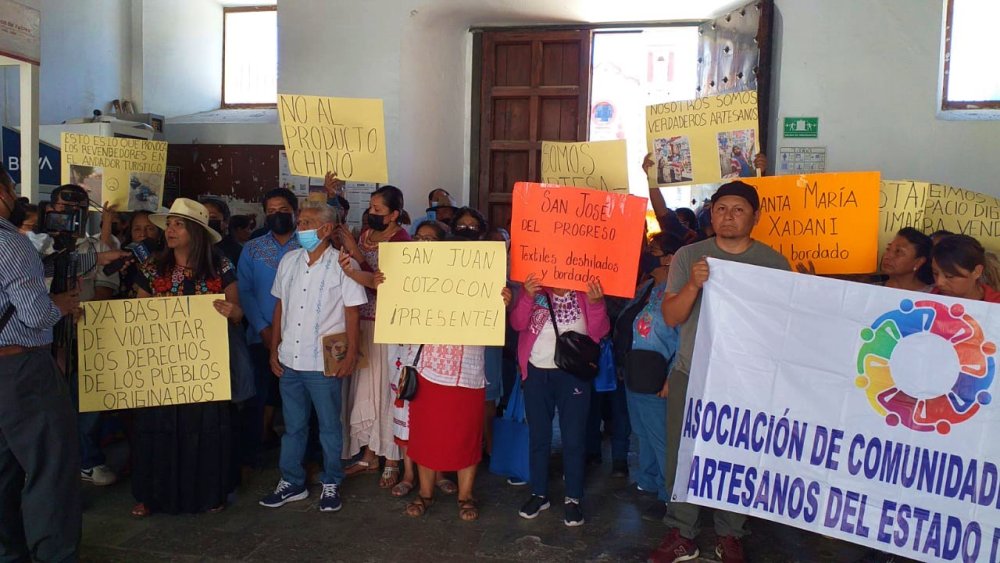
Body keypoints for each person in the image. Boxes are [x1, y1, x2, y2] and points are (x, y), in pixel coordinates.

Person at [651, 181, 791, 563]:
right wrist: (694, 285)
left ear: (756, 217)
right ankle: (682, 531)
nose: (728, 216)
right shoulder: (689, 255)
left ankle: (730, 532)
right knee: (683, 455)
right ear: (711, 214)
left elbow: (782, 327)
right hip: (691, 370)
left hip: (747, 378)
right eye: (721, 208)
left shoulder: (774, 263)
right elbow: (671, 316)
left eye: (738, 209)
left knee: (738, 455)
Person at [130, 198, 243, 516]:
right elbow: (136, 313)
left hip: (206, 367)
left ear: (196, 231)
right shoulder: (152, 267)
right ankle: (150, 496)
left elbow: (237, 313)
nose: (170, 229)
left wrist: (231, 311)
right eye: (168, 224)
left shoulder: (219, 265)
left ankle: (209, 495)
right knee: (156, 428)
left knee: (204, 428)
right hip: (162, 366)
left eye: (178, 224)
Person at [259, 204, 367, 512]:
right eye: (300, 222)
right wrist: (274, 348)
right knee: (293, 426)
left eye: (306, 222)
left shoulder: (341, 264)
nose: (299, 227)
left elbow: (352, 311)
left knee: (330, 426)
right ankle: (292, 481)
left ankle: (331, 480)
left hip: (323, 364)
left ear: (325, 229)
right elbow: (280, 306)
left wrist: (350, 356)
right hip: (289, 358)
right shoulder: (289, 261)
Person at [0, 166, 84, 561]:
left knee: (4, 470)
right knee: (50, 465)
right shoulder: (13, 245)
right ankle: (53, 553)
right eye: (13, 187)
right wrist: (62, 304)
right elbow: (35, 315)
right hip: (21, 369)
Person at [510, 274, 609, 527]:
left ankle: (573, 498)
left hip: (573, 376)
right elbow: (517, 323)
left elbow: (601, 331)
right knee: (539, 437)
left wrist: (597, 303)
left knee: (574, 438)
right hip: (536, 372)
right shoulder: (535, 288)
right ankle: (538, 494)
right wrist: (528, 296)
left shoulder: (585, 290)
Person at [338, 185, 410, 487]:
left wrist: (355, 254)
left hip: (388, 324)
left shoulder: (402, 239)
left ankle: (392, 457)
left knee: (387, 390)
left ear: (394, 214)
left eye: (379, 210)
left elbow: (387, 283)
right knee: (365, 388)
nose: (372, 213)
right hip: (361, 321)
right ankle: (369, 453)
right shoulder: (364, 234)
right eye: (370, 208)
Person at [381, 219, 457, 499]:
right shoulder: (398, 271)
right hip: (404, 353)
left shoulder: (454, 276)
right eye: (419, 237)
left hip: (438, 356)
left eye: (431, 239)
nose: (423, 243)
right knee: (405, 411)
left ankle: (437, 474)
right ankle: (410, 474)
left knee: (437, 417)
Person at [618, 234, 682, 523]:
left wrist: (672, 377)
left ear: (669, 258)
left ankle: (669, 498)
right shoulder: (646, 286)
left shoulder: (679, 291)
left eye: (653, 250)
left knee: (662, 439)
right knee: (642, 432)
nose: (647, 254)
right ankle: (647, 481)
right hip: (634, 371)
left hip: (659, 375)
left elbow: (685, 338)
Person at [237, 188, 301, 463]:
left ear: (295, 211)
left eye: (283, 210)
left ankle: (300, 452)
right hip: (260, 335)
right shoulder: (252, 249)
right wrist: (263, 329)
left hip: (300, 337)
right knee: (261, 392)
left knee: (297, 398)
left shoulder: (309, 245)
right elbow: (245, 291)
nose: (278, 215)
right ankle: (259, 445)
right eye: (272, 211)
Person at [930, 235, 1000, 302]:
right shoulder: (928, 299)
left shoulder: (996, 305)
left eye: (949, 276)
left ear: (977, 271)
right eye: (935, 273)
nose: (939, 283)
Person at [880, 227, 934, 292]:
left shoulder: (933, 296)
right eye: (888, 249)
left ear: (919, 262)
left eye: (898, 251)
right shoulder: (871, 290)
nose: (887, 256)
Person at [203, 197, 243, 267]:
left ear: (226, 222)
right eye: (202, 217)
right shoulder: (189, 247)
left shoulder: (237, 251)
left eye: (212, 217)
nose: (206, 221)